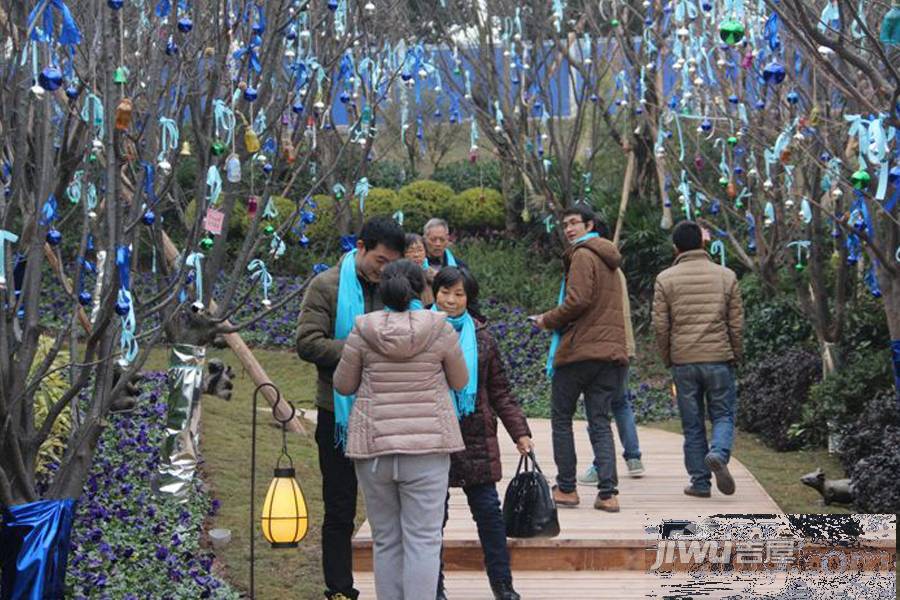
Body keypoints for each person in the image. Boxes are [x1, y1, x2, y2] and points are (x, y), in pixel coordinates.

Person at [333, 259, 469, 600]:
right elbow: (460, 381)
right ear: (421, 289)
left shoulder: (362, 330)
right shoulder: (440, 329)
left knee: (386, 539)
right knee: (424, 540)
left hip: (375, 449)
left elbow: (343, 385)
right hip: (427, 449)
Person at [295, 216, 406, 600]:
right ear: (360, 248)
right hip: (338, 412)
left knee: (393, 508)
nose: (383, 270)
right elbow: (308, 343)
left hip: (389, 411)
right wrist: (361, 351)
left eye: (391, 263)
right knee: (340, 507)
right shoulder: (326, 285)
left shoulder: (395, 287)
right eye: (379, 260)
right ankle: (339, 588)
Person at [431, 267, 532, 600]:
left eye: (459, 294)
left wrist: (520, 432)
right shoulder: (422, 332)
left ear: (468, 298)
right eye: (445, 292)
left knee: (489, 514)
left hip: (477, 438)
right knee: (434, 518)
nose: (450, 300)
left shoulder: (483, 337)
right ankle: (434, 586)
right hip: (434, 436)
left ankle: (502, 584)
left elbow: (500, 390)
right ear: (434, 294)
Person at [530, 205, 628, 513]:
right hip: (609, 354)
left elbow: (578, 300)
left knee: (561, 419)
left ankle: (568, 489)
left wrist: (547, 319)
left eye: (575, 223)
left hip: (580, 352)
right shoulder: (609, 259)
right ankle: (608, 493)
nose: (569, 229)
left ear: (589, 224)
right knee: (599, 420)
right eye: (566, 224)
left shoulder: (583, 254)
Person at [651, 220, 744, 498]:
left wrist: (669, 357)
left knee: (692, 424)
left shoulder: (665, 279)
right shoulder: (727, 276)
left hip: (684, 361)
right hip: (718, 359)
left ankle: (700, 482)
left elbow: (660, 326)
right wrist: (735, 354)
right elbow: (736, 325)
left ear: (676, 247)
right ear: (703, 243)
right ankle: (718, 453)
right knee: (723, 415)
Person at [579, 267, 645, 483]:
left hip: (600, 346)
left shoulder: (591, 270)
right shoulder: (618, 270)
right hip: (623, 344)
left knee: (597, 408)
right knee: (621, 402)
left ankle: (601, 465)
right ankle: (634, 458)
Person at [405, 232, 437, 305]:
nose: (416, 255)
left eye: (420, 250)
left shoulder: (434, 276)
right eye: (411, 251)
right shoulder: (397, 277)